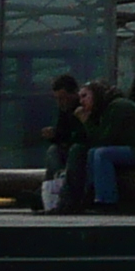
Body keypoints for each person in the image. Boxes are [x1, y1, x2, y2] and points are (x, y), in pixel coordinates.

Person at [73, 80, 135, 210]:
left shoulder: (118, 106)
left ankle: (107, 201)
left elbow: (104, 140)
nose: (81, 102)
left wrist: (86, 121)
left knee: (102, 154)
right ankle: (91, 195)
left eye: (85, 96)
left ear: (96, 95)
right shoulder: (106, 109)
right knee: (93, 152)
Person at [38, 74, 83, 212]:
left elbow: (83, 136)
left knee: (73, 150)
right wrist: (54, 135)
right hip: (68, 148)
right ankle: (55, 184)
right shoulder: (64, 111)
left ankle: (58, 187)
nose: (60, 102)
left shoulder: (82, 109)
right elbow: (63, 135)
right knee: (53, 150)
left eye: (63, 98)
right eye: (57, 99)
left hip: (80, 149)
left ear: (74, 94)